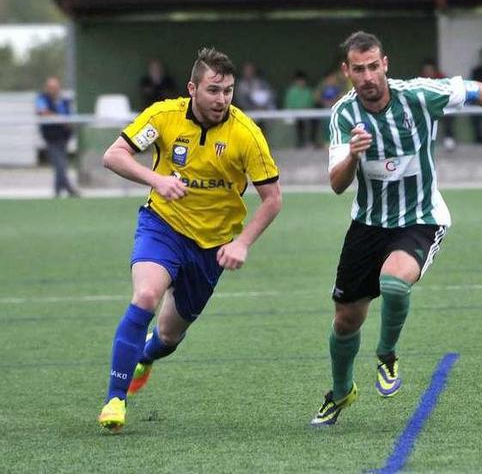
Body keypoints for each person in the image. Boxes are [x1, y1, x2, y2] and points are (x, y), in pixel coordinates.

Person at [312, 31, 482, 426]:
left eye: (374, 66)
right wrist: (354, 157)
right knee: (345, 321)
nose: (368, 76)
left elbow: (477, 90)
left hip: (420, 218)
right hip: (368, 224)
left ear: (385, 64)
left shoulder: (418, 95)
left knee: (394, 282)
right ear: (347, 72)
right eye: (359, 69)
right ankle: (341, 392)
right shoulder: (343, 115)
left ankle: (387, 355)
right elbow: (337, 184)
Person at [97, 48, 283, 433]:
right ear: (193, 88)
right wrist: (157, 180)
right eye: (214, 90)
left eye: (228, 91)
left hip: (212, 246)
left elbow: (273, 199)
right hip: (162, 225)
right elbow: (113, 156)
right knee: (145, 296)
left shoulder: (246, 134)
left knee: (168, 334)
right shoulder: (163, 116)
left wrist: (242, 243)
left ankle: (147, 354)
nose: (222, 100)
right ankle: (115, 398)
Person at [36, 76, 79, 198]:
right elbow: (43, 112)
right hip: (51, 137)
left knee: (62, 164)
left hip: (64, 137)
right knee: (60, 165)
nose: (53, 90)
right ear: (47, 88)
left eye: (55, 87)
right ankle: (69, 190)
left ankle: (57, 192)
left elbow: (69, 116)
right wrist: (60, 119)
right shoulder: (42, 98)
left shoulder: (63, 100)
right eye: (51, 87)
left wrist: (67, 122)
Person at [420, 58, 457, 150]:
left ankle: (449, 138)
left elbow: (449, 94)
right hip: (426, 108)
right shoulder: (420, 80)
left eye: (430, 70)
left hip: (442, 106)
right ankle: (423, 142)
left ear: (434, 70)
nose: (428, 72)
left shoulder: (442, 78)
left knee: (448, 114)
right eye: (426, 70)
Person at [283, 70, 318, 147]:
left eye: (302, 80)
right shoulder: (291, 92)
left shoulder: (308, 91)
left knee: (314, 121)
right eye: (299, 81)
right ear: (295, 81)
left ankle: (311, 141)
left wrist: (306, 108)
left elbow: (311, 104)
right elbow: (289, 105)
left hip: (306, 115)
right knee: (299, 124)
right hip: (294, 115)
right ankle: (299, 143)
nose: (301, 82)